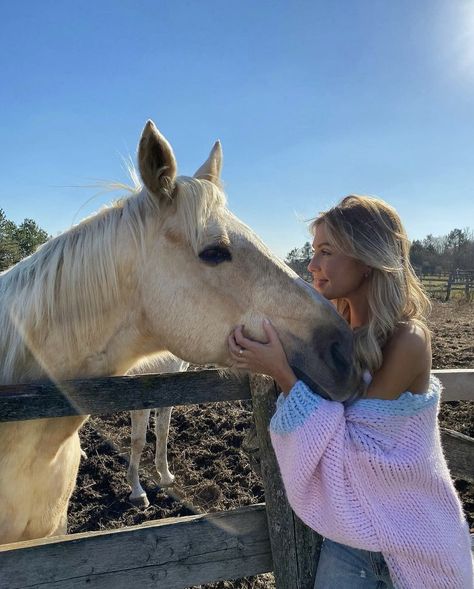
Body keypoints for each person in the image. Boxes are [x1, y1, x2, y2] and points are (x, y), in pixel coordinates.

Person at [228, 195, 473, 589]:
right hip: (349, 545)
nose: (312, 265)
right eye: (313, 252)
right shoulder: (334, 340)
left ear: (367, 258)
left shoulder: (408, 339)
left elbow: (360, 450)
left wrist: (282, 374)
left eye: (326, 251)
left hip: (411, 542)